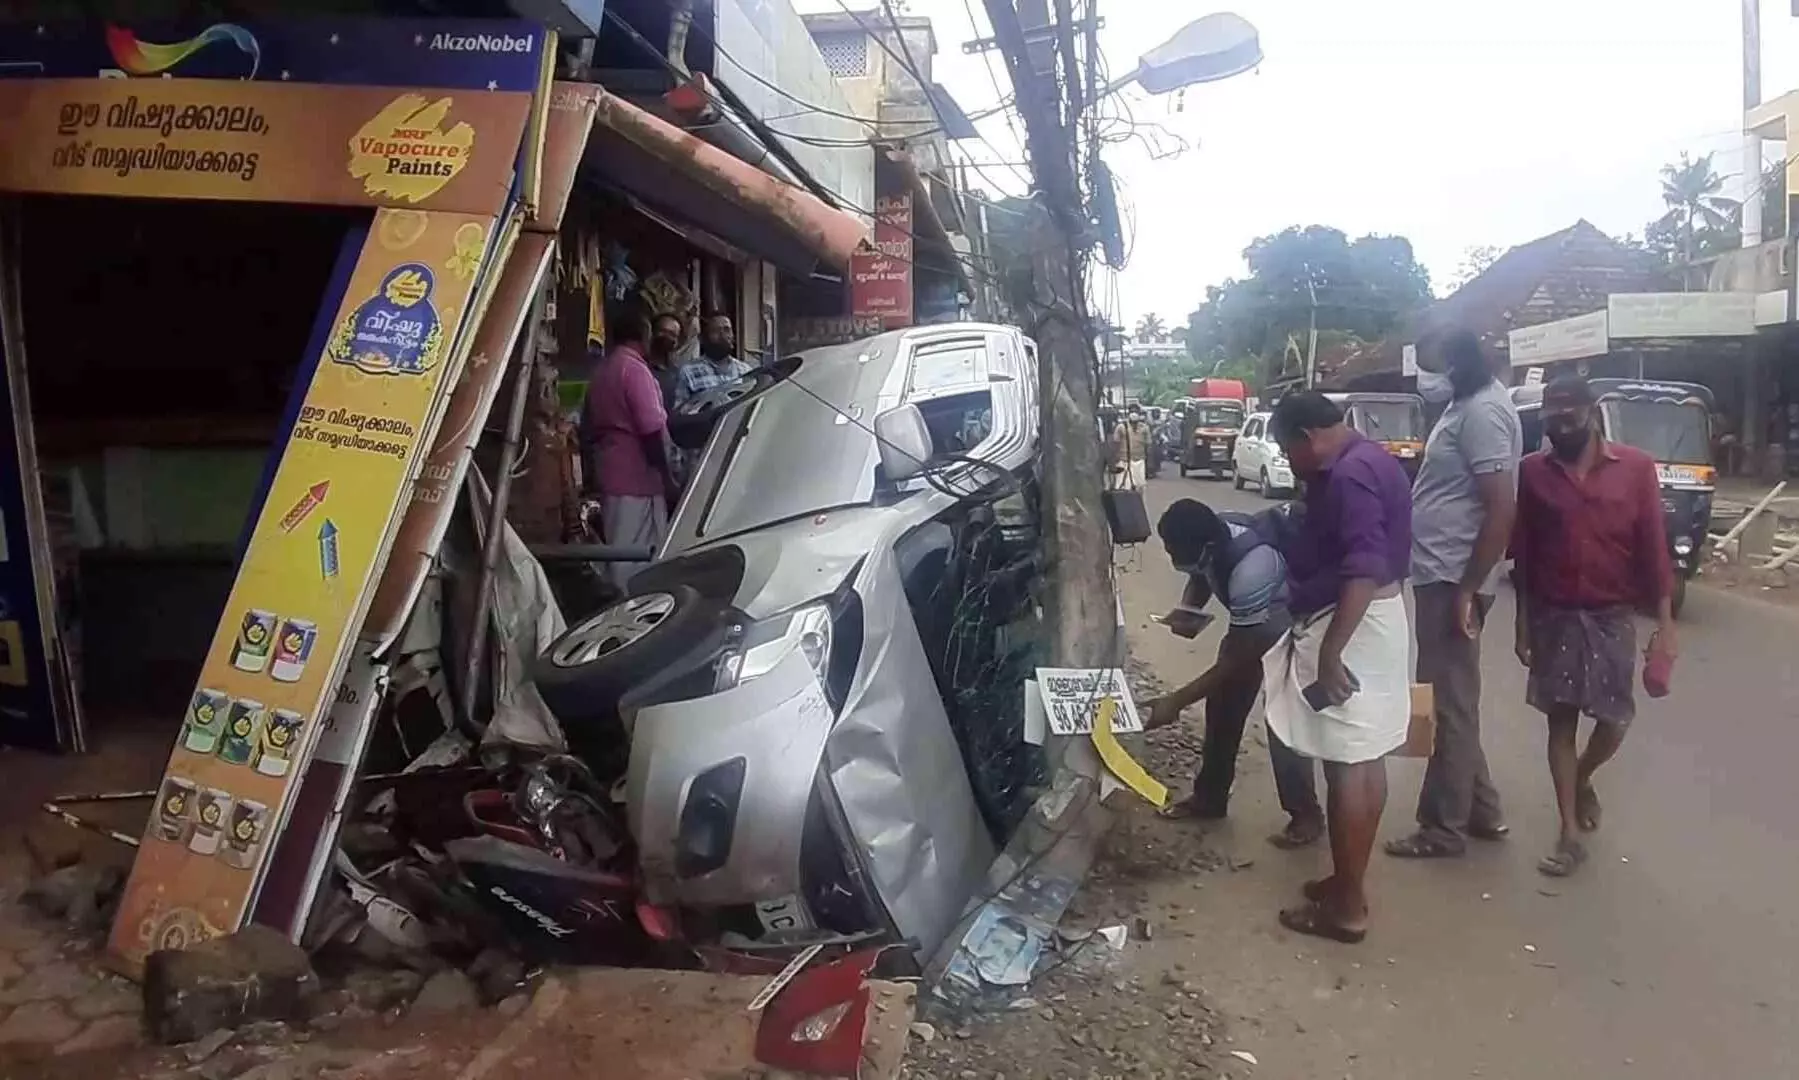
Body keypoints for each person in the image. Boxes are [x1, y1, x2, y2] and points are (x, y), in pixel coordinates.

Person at [1260, 391, 1413, 943]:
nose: (1289, 462)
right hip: (1379, 619)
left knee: (1348, 764)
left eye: (1286, 448)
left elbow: (1363, 568)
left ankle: (1348, 909)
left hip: (1350, 624)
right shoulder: (1371, 458)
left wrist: (1330, 653)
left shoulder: (1349, 476)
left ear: (1306, 437)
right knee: (1366, 759)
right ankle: (1347, 880)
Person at [1511, 375, 1676, 877]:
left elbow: (1653, 547)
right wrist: (1521, 622)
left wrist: (1666, 625)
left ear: (1590, 412)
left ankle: (1582, 776)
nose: (1559, 428)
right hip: (1553, 612)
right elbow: (1524, 549)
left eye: (1569, 417)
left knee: (1614, 718)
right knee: (1560, 719)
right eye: (1551, 420)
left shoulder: (1636, 469)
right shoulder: (1533, 472)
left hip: (1610, 614)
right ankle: (1568, 833)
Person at [1386, 330, 1520, 859]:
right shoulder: (1464, 406)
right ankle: (1482, 809)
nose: (1426, 375)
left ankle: (1443, 827)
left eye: (1432, 365)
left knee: (1447, 702)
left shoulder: (1483, 413)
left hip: (1453, 577)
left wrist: (1469, 587)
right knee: (1453, 695)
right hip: (1440, 572)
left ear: (1458, 364)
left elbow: (1501, 507)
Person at [1144, 499, 1324, 848]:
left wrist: (1175, 702)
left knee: (1281, 721)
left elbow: (1239, 657)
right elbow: (1202, 575)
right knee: (1223, 706)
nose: (1170, 559)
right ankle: (1210, 797)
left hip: (1285, 629)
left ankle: (1306, 814)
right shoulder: (1214, 531)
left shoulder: (1253, 568)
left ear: (1206, 546)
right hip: (1250, 622)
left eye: (1174, 552)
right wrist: (1189, 609)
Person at [587, 302, 680, 587]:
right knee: (638, 560)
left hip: (612, 470)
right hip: (637, 478)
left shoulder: (604, 370)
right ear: (643, 334)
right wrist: (666, 478)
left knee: (620, 551)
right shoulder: (635, 370)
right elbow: (651, 430)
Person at [675, 314, 753, 407]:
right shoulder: (689, 372)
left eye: (727, 330)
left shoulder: (746, 371)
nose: (723, 335)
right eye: (716, 331)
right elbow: (681, 411)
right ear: (703, 338)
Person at [647, 313, 684, 413]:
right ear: (652, 332)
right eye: (663, 331)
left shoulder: (677, 372)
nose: (667, 337)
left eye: (672, 334)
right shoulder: (638, 365)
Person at [1110, 405, 1152, 489]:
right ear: (1128, 413)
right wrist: (1114, 460)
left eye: (1136, 412)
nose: (1134, 414)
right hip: (1124, 460)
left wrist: (1149, 462)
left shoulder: (1144, 428)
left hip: (1140, 460)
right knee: (1124, 486)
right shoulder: (1121, 427)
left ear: (1139, 414)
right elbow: (1115, 443)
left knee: (1140, 486)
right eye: (1132, 411)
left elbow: (1148, 445)